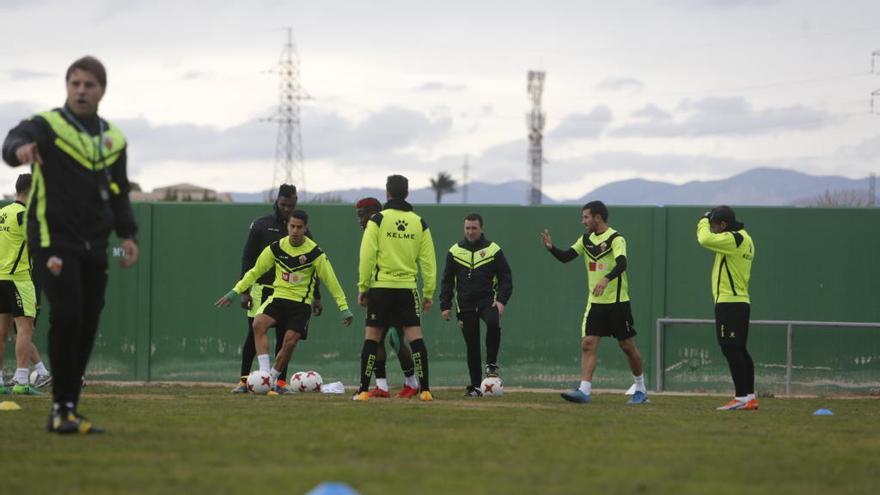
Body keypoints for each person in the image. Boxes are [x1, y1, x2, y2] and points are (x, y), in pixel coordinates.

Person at [2, 56, 139, 433]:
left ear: (102, 90)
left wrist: (128, 234)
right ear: (67, 86)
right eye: (75, 83)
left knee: (88, 320)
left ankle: (67, 409)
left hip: (93, 242)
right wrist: (19, 152)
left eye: (89, 84)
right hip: (52, 237)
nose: (81, 90)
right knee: (68, 313)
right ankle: (62, 407)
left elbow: (119, 191)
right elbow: (12, 140)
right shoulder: (47, 126)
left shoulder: (113, 140)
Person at [217, 210, 352, 392]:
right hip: (278, 298)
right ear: (287, 226)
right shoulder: (276, 248)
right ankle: (264, 375)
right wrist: (234, 292)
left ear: (305, 228)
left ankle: (271, 380)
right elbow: (255, 271)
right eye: (292, 226)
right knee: (257, 324)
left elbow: (331, 281)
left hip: (301, 304)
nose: (295, 231)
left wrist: (344, 307)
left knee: (289, 342)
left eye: (299, 227)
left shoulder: (315, 253)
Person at [541, 200, 648, 405]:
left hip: (617, 302)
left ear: (597, 217)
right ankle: (584, 391)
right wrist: (550, 247)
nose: (583, 221)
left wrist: (606, 279)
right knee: (588, 344)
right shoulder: (586, 239)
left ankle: (641, 388)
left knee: (627, 346)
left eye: (586, 217)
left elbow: (622, 263)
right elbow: (566, 257)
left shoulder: (617, 238)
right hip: (595, 303)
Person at [230, 184, 322, 393]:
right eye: (283, 204)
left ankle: (278, 383)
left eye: (291, 205)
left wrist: (316, 296)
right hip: (261, 289)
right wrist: (244, 290)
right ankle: (245, 381)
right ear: (277, 202)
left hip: (289, 292)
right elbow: (248, 258)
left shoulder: (302, 231)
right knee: (253, 333)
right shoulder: (261, 225)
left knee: (285, 338)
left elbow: (313, 267)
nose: (287, 209)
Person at [352, 175, 436, 402]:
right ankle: (425, 390)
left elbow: (366, 257)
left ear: (387, 193)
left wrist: (363, 286)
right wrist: (428, 292)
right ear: (407, 193)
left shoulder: (377, 220)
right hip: (407, 289)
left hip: (381, 289)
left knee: (372, 339)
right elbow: (428, 261)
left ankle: (362, 390)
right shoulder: (420, 222)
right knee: (415, 338)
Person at [440, 213, 513, 397]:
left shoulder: (493, 249)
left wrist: (502, 301)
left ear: (481, 228)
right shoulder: (455, 251)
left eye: (474, 228)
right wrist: (445, 305)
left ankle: (491, 364)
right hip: (464, 305)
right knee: (472, 346)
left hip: (488, 301)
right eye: (467, 228)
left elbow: (506, 278)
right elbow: (447, 281)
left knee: (493, 322)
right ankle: (475, 387)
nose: (470, 232)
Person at [355, 197, 419, 398]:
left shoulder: (379, 227)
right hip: (379, 290)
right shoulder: (371, 229)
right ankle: (382, 385)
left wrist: (363, 287)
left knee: (394, 338)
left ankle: (412, 381)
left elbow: (371, 260)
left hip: (390, 289)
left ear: (372, 213)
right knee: (381, 339)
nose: (359, 220)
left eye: (361, 215)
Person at [697, 206, 757, 411]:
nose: (713, 231)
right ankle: (750, 397)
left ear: (723, 225)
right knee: (739, 349)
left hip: (730, 303)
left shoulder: (734, 239)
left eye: (715, 227)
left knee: (730, 348)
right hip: (739, 301)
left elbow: (703, 239)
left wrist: (704, 219)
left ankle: (741, 397)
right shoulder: (745, 238)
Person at [0, 174, 51, 395]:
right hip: (19, 278)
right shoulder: (26, 216)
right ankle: (22, 380)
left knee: (1, 331)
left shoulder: (2, 213)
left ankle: (0, 381)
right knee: (25, 329)